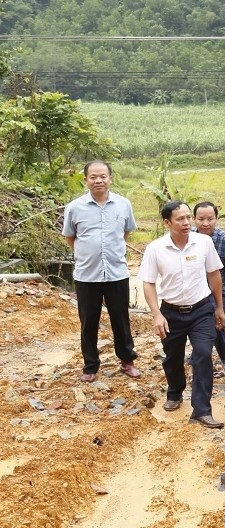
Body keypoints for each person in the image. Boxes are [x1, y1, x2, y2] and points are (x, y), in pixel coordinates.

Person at [140, 201, 225, 429]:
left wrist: (219, 307)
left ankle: (202, 410)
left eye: (188, 217)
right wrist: (157, 315)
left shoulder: (204, 243)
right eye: (180, 219)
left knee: (203, 353)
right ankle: (175, 391)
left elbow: (214, 275)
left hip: (201, 310)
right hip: (171, 313)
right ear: (167, 223)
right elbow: (148, 283)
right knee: (173, 356)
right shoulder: (155, 249)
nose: (187, 222)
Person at [62, 160, 140, 383]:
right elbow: (71, 237)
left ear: (110, 178)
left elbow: (125, 233)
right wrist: (88, 253)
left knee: (121, 319)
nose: (98, 180)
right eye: (93, 177)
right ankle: (90, 366)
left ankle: (127, 361)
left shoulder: (123, 204)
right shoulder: (75, 208)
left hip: (116, 273)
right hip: (87, 275)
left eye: (103, 176)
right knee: (89, 322)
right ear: (86, 180)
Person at [193, 201, 225, 376]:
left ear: (216, 219)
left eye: (210, 219)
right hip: (199, 293)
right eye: (201, 219)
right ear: (194, 219)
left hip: (223, 290)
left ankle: (196, 364)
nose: (205, 223)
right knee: (214, 325)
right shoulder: (189, 238)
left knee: (210, 323)